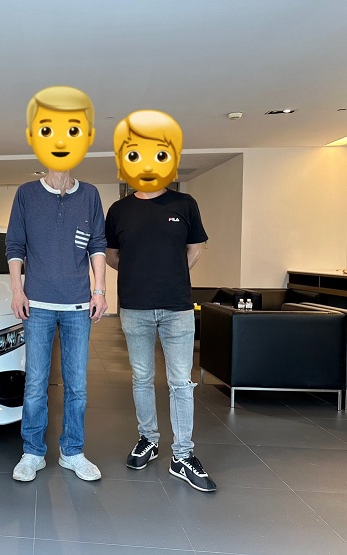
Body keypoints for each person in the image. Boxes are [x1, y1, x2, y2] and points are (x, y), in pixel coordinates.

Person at [105, 109, 216, 492]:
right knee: (141, 378)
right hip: (134, 306)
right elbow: (113, 255)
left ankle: (182, 455)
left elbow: (195, 248)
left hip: (177, 307)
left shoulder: (184, 204)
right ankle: (148, 440)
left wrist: (170, 272)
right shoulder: (119, 210)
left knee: (180, 382)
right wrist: (140, 272)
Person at [6, 86, 107, 482]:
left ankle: (72, 451)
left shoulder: (90, 196)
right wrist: (17, 290)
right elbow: (15, 246)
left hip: (79, 305)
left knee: (77, 386)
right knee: (35, 384)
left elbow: (97, 245)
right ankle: (32, 452)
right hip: (38, 305)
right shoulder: (26, 195)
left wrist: (100, 291)